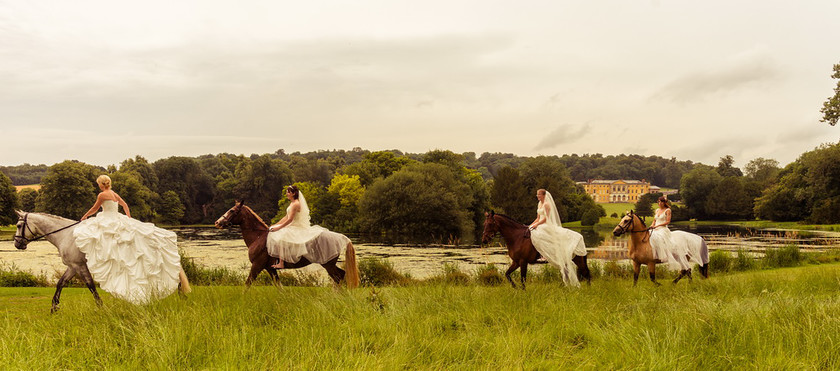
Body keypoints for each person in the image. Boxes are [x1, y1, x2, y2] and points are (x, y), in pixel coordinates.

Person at [73, 175, 190, 304]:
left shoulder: (102, 195)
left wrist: (84, 216)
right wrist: (128, 218)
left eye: (98, 184)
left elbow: (95, 209)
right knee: (116, 239)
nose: (98, 186)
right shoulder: (113, 193)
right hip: (117, 218)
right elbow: (124, 205)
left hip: (108, 218)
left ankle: (108, 260)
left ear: (101, 184)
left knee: (95, 234)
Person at [267, 185, 350, 268]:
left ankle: (281, 263)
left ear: (293, 193)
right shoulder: (292, 203)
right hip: (292, 224)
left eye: (288, 192)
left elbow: (290, 220)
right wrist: (276, 224)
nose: (286, 194)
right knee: (277, 231)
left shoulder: (296, 204)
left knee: (282, 234)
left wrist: (279, 227)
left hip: (296, 225)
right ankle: (280, 260)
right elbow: (286, 217)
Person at [526, 189, 587, 287]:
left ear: (543, 195)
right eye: (537, 194)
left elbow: (546, 218)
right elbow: (538, 218)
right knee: (530, 231)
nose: (537, 196)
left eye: (539, 195)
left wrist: (537, 224)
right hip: (540, 223)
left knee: (539, 233)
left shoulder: (547, 204)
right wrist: (530, 225)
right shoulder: (539, 204)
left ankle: (543, 254)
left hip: (546, 224)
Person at [648, 196, 691, 271]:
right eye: (659, 202)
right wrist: (652, 225)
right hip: (655, 228)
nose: (660, 203)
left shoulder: (668, 210)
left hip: (663, 229)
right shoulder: (657, 210)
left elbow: (668, 222)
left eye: (661, 202)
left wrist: (658, 225)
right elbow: (654, 220)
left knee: (660, 239)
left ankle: (663, 254)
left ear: (664, 203)